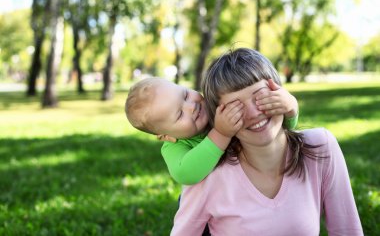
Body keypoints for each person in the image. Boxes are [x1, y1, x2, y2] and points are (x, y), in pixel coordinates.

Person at [170, 48, 363, 236]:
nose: (254, 113)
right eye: (235, 108)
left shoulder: (321, 146)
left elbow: (346, 230)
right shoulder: (207, 176)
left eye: (262, 96)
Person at [125, 77, 298, 185]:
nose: (191, 107)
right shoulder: (174, 147)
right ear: (166, 136)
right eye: (179, 114)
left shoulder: (216, 106)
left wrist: (290, 109)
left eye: (185, 95)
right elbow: (185, 174)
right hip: (210, 205)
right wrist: (221, 134)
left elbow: (283, 131)